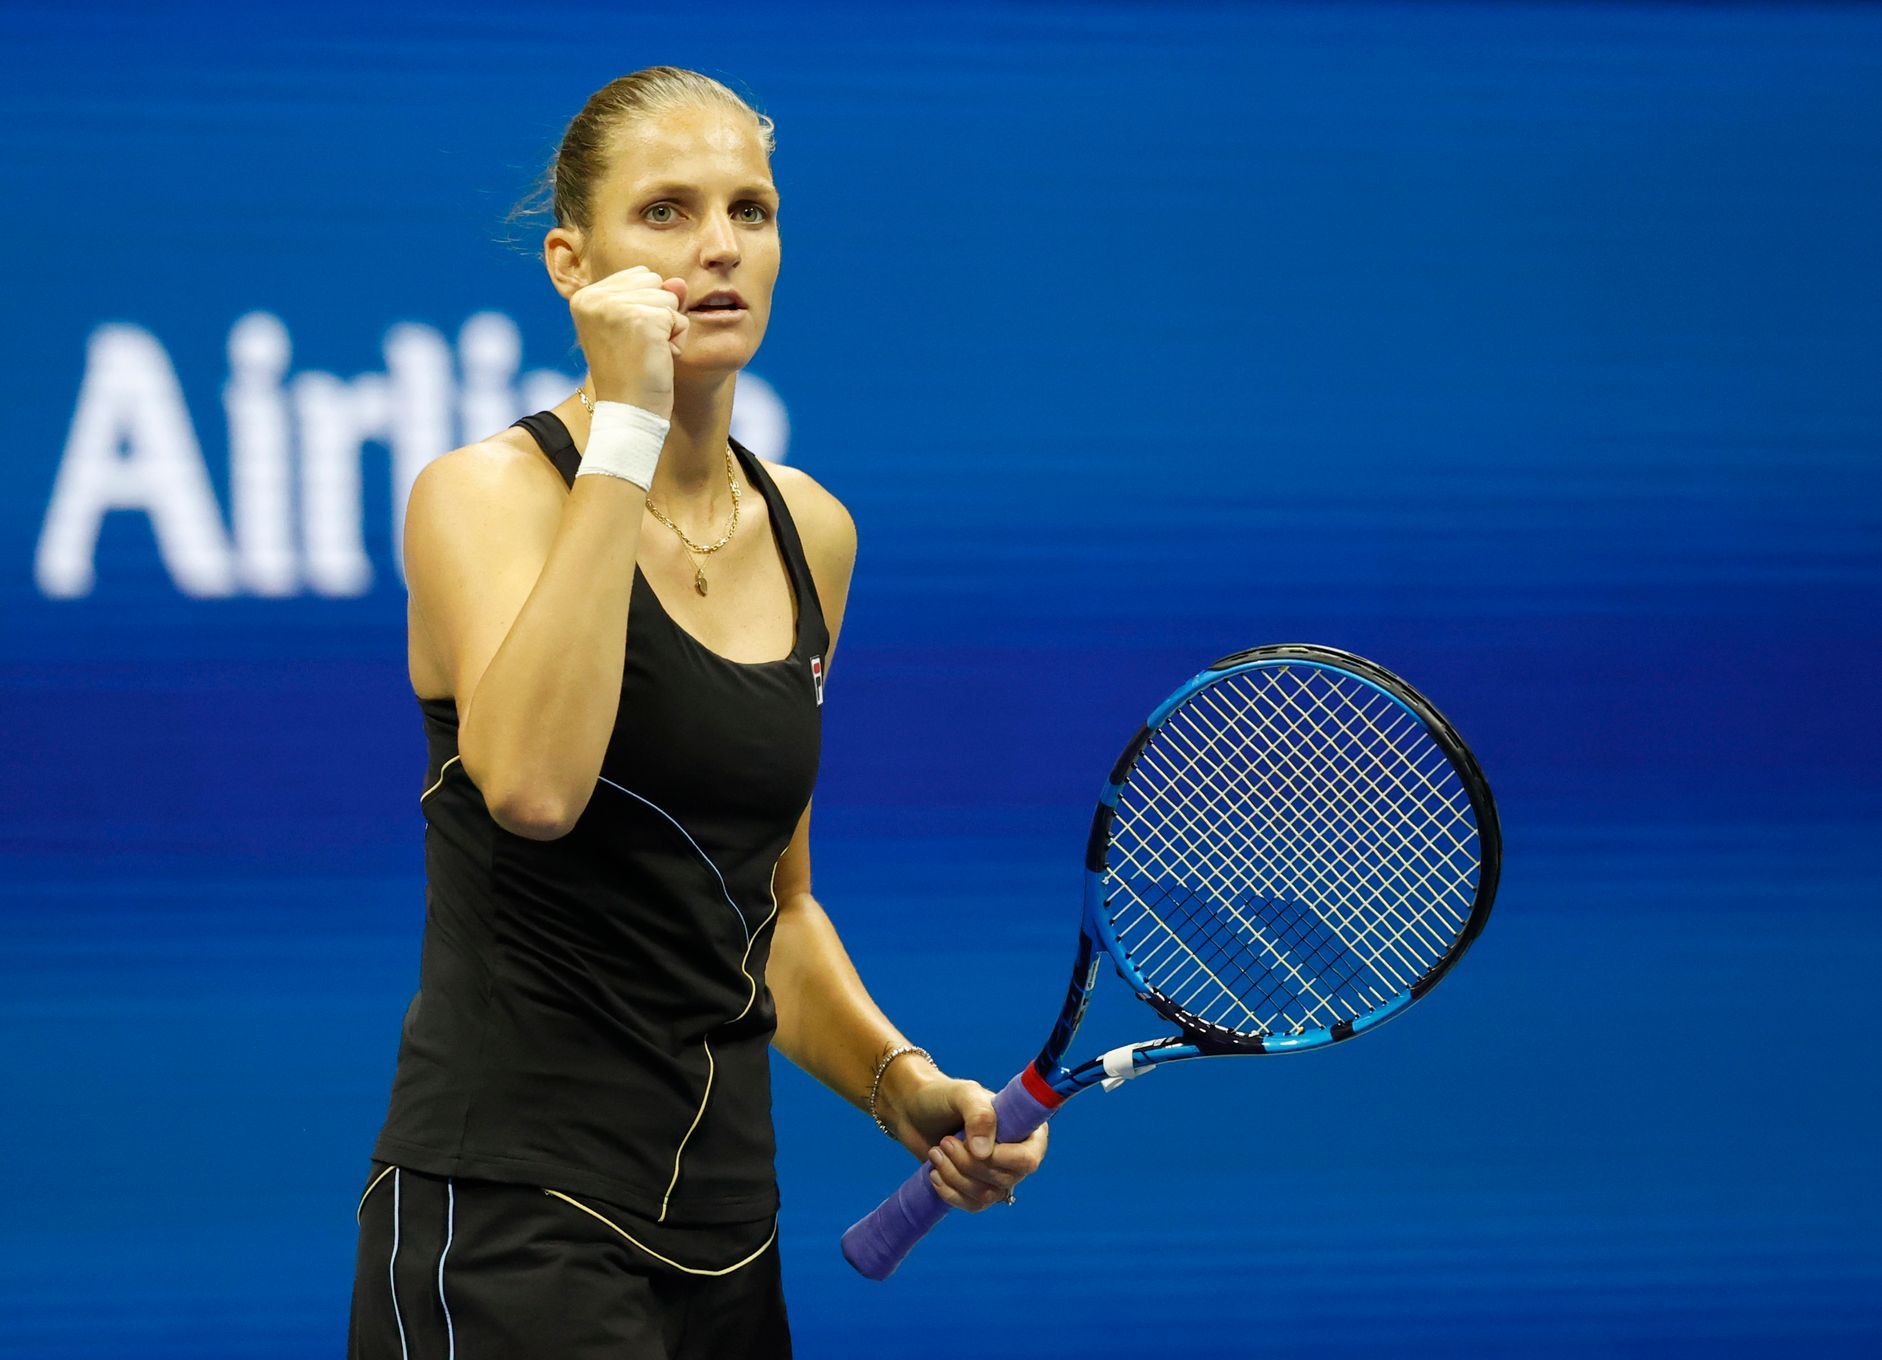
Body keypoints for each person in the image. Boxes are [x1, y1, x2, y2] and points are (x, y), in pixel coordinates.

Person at [345, 66, 1048, 1358]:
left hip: (726, 1236)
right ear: (574, 263)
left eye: (751, 211)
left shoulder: (812, 530)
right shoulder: (480, 495)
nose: (719, 246)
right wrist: (623, 426)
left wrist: (904, 1086)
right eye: (665, 212)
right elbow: (535, 790)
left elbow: (767, 908)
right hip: (509, 1218)